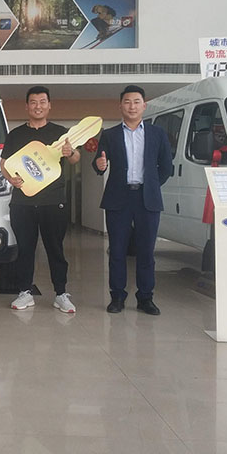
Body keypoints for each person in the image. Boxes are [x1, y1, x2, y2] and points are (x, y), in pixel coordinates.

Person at [0, 86, 81, 313]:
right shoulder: (15, 135)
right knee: (25, 249)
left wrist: (70, 152)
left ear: (49, 105)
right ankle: (24, 292)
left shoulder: (61, 133)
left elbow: (75, 158)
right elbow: (4, 163)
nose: (38, 106)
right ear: (27, 106)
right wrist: (11, 179)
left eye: (42, 102)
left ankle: (61, 294)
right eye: (34, 102)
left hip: (53, 201)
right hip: (22, 202)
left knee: (55, 248)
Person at [93, 85, 173, 315]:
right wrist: (100, 165)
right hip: (119, 197)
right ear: (120, 106)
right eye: (127, 102)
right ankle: (117, 296)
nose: (132, 106)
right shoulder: (110, 135)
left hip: (147, 198)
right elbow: (98, 164)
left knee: (146, 251)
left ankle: (145, 298)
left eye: (136, 102)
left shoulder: (157, 134)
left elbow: (166, 167)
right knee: (117, 251)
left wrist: (151, 187)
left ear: (144, 106)